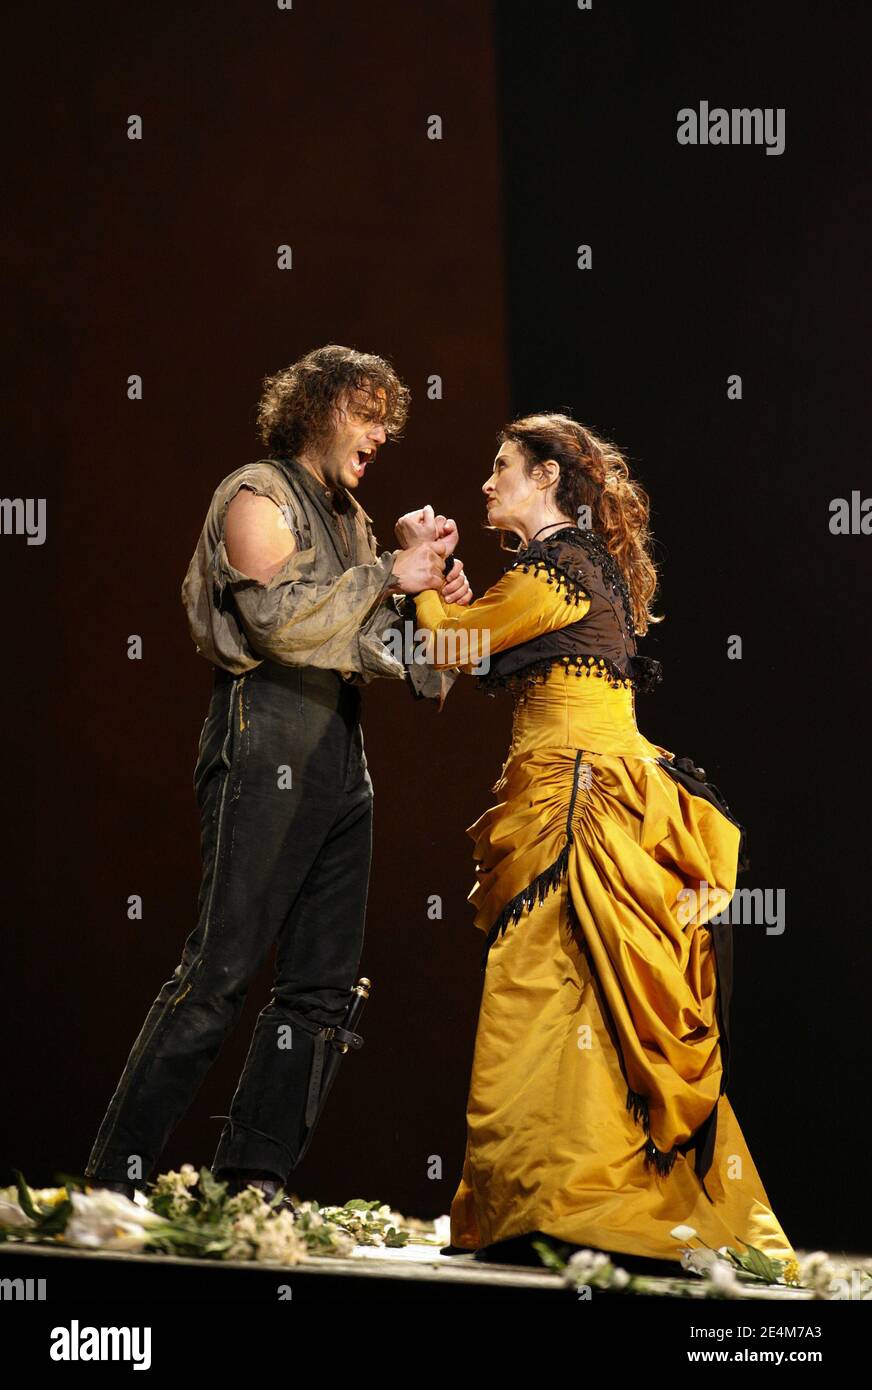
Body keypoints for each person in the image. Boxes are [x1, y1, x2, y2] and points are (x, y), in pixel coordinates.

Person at [405, 412, 797, 1272]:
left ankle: (573, 1208)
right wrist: (453, 594)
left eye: (501, 465)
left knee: (553, 991)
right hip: (577, 787)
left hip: (577, 805)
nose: (485, 482)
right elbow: (480, 648)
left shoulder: (561, 565)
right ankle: (555, 1202)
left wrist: (421, 572)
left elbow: (444, 644)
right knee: (569, 995)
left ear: (547, 477)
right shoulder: (569, 569)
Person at [83, 344, 472, 1209]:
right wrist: (387, 576)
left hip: (340, 749)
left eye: (388, 421)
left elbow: (428, 670)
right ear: (320, 408)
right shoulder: (257, 494)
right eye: (367, 414)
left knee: (324, 986)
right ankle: (116, 1180)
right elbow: (277, 625)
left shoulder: (360, 525)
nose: (380, 435)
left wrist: (440, 591)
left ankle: (254, 1179)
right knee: (220, 969)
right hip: (265, 738)